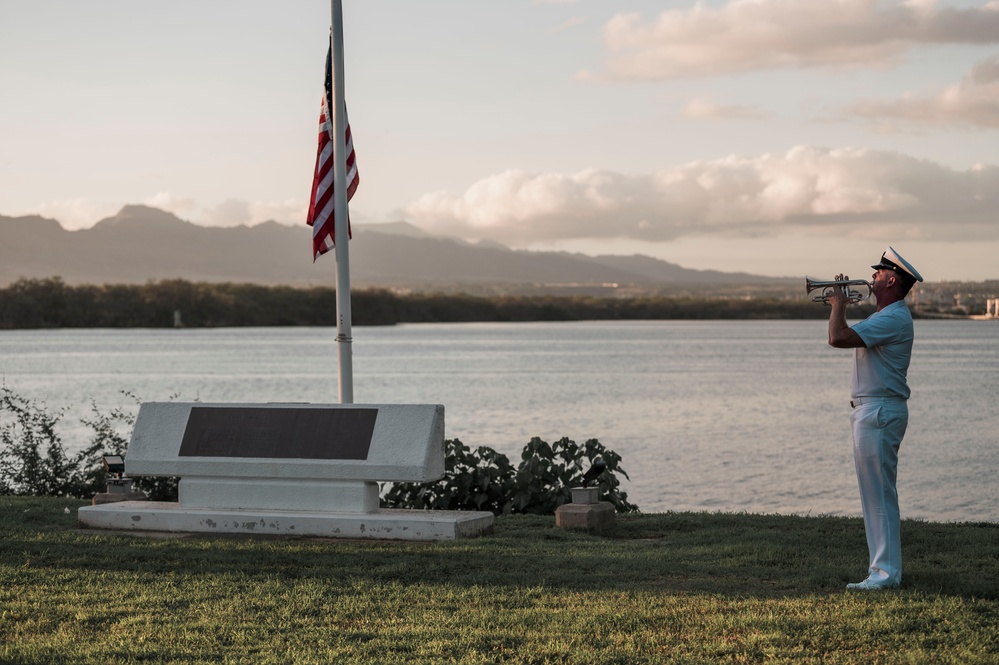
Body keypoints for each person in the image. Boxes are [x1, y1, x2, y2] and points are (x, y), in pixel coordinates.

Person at [826, 246, 923, 591]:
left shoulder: (892, 317)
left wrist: (838, 306)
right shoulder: (884, 316)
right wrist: (842, 308)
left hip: (879, 410)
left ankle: (884, 575)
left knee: (879, 496)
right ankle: (884, 571)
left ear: (891, 279)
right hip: (875, 410)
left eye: (878, 273)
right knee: (876, 495)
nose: (872, 277)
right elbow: (848, 336)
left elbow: (837, 337)